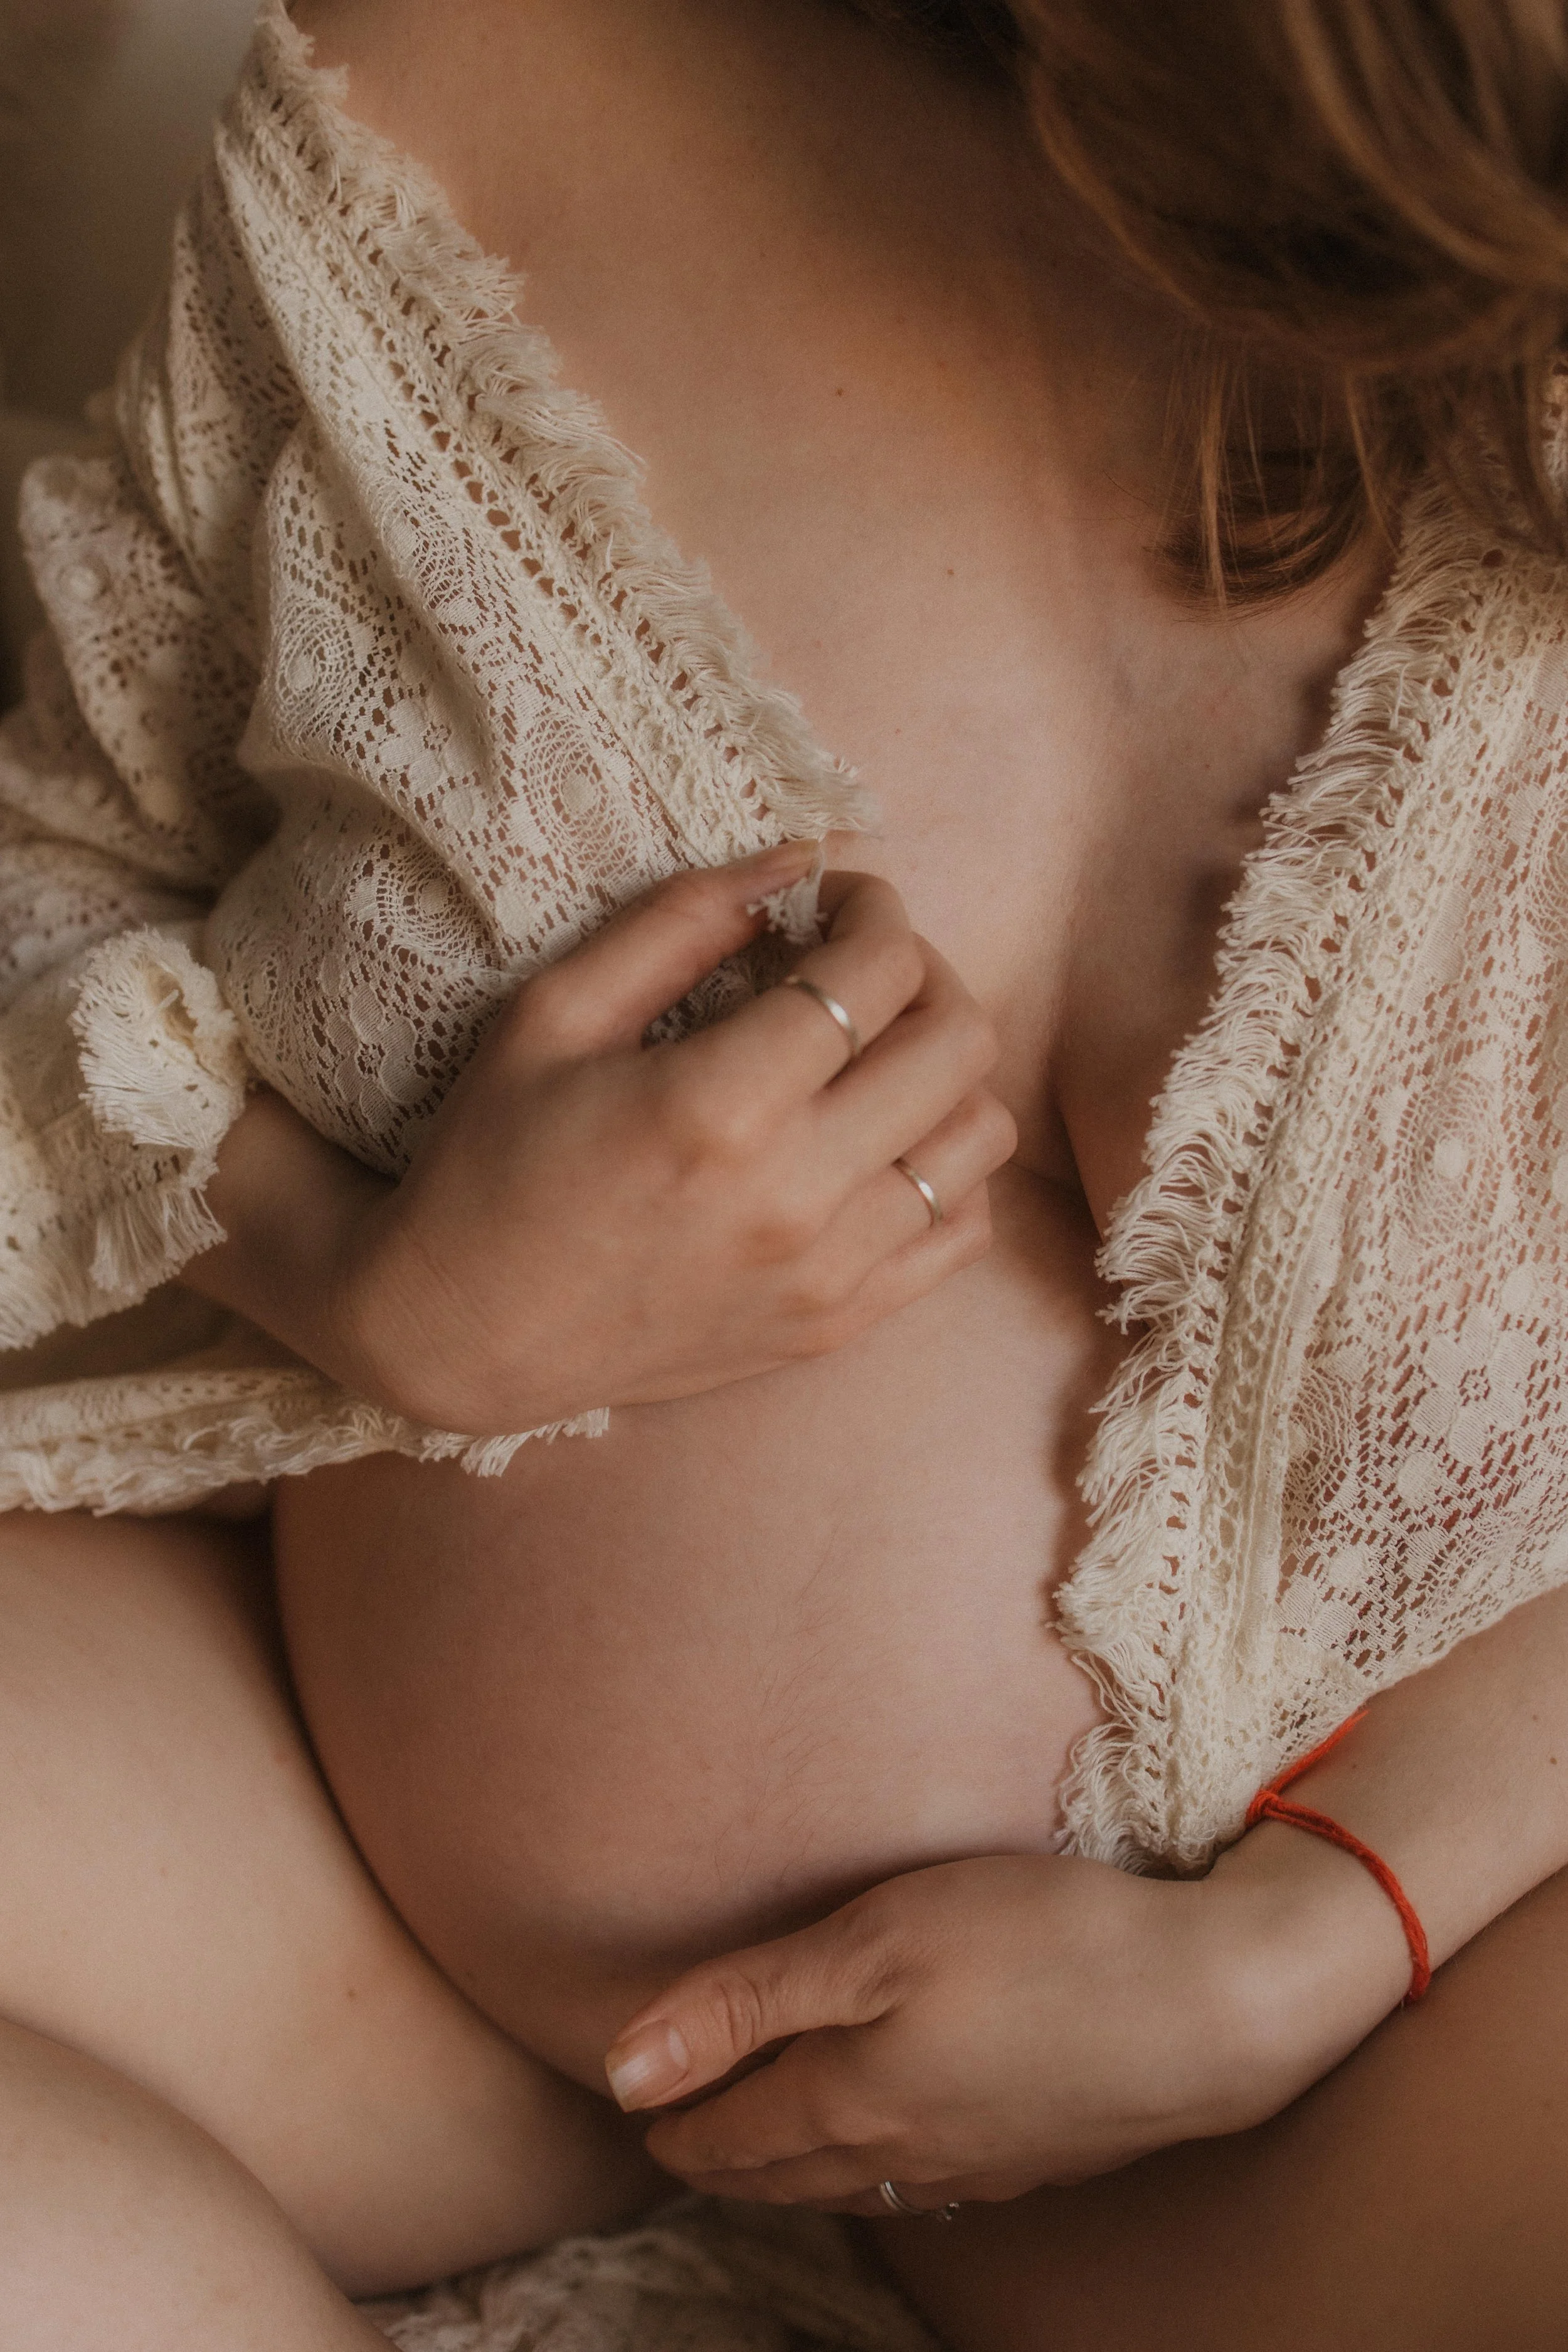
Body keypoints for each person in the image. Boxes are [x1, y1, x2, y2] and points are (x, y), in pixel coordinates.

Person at [0, 2, 1565, 2346]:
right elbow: (62, 873)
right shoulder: (449, 99)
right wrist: (383, 1283)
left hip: (1344, 2056)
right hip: (357, 1928)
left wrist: (1303, 1938)